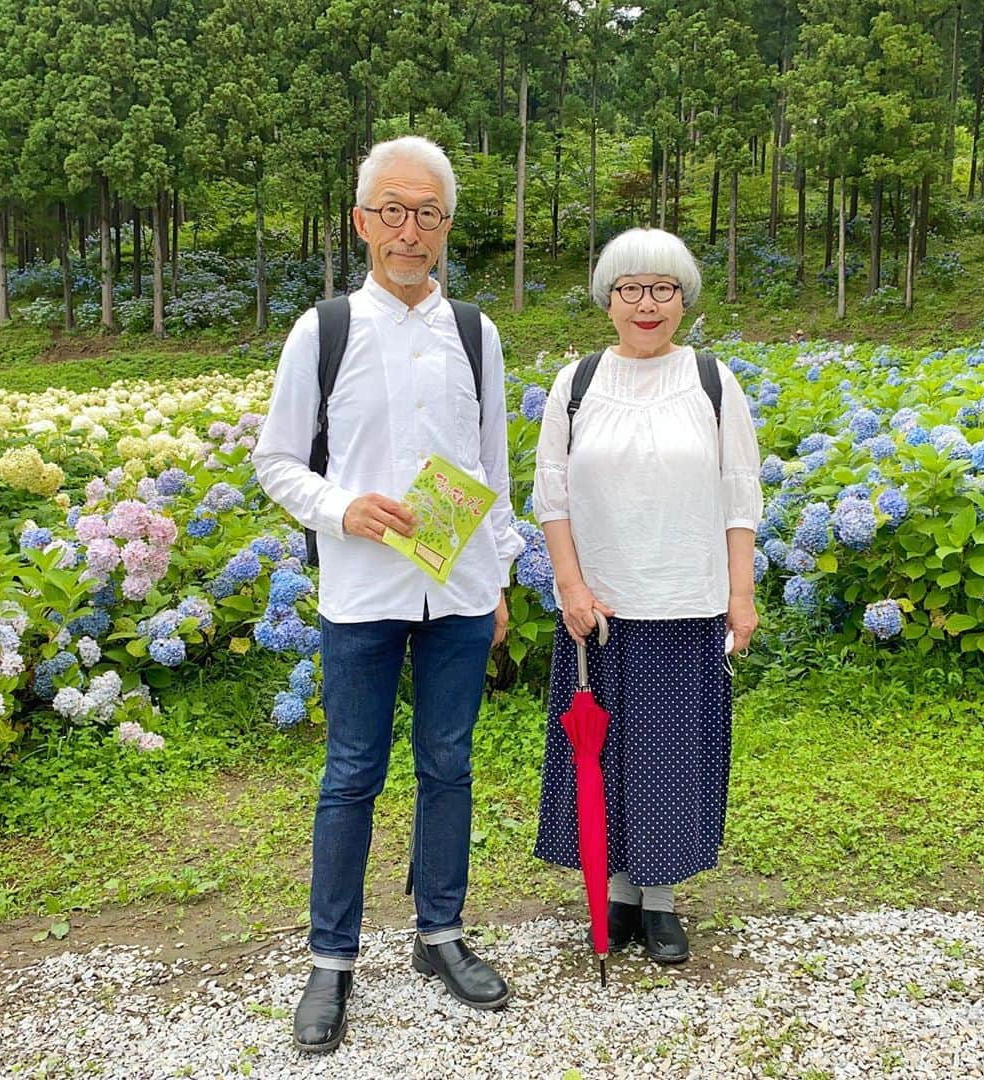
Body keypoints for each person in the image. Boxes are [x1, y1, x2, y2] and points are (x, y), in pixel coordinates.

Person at [253, 136, 524, 1054]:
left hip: (456, 595)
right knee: (351, 773)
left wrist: (500, 577)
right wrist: (343, 507)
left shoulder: (478, 335)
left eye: (430, 214)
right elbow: (276, 461)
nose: (411, 232)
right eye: (393, 212)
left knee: (447, 764)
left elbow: (493, 468)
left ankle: (439, 935)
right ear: (363, 221)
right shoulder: (322, 331)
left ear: (448, 227)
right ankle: (332, 959)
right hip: (362, 591)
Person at [531, 228, 763, 965]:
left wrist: (741, 592)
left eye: (663, 288)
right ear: (608, 301)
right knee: (606, 754)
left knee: (670, 757)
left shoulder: (712, 381)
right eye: (630, 288)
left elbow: (738, 494)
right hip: (597, 612)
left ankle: (659, 902)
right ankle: (617, 892)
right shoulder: (576, 384)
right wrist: (569, 585)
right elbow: (552, 494)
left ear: (685, 300)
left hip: (685, 604)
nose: (647, 303)